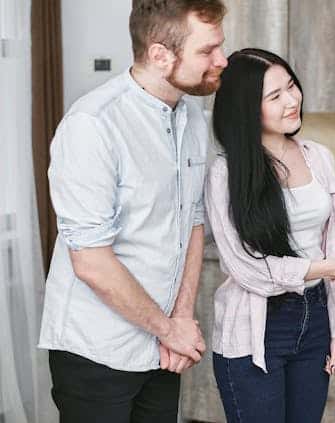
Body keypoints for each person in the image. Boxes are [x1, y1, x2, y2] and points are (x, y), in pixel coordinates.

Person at [38, 1, 228, 422]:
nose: (222, 60)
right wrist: (169, 328)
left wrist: (179, 319)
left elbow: (191, 220)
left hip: (161, 347)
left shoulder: (193, 117)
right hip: (96, 350)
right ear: (160, 55)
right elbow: (90, 262)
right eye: (207, 50)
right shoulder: (93, 125)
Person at [205, 48, 335, 423]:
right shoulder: (226, 174)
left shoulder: (319, 157)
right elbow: (248, 270)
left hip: (316, 319)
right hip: (256, 328)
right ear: (247, 108)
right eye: (274, 96)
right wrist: (329, 267)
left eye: (291, 86)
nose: (292, 100)